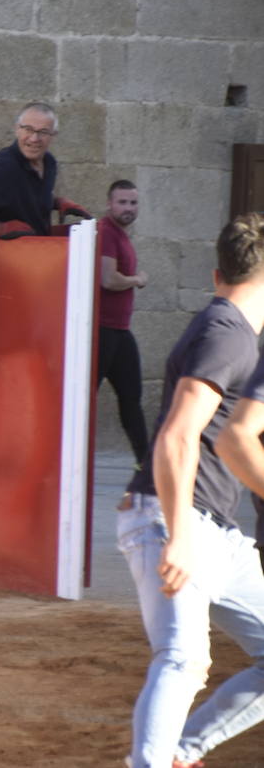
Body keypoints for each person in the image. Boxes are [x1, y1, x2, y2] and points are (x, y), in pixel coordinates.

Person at [118, 215, 264, 768]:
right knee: (182, 656)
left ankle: (179, 753)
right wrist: (177, 535)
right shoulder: (228, 332)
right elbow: (179, 434)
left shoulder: (226, 327)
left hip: (213, 529)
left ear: (216, 272)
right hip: (179, 519)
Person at [0, 103, 90, 237]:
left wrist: (55, 202)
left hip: (40, 249)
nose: (35, 138)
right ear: (17, 129)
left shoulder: (49, 162)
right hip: (13, 256)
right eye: (28, 129)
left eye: (43, 132)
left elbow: (22, 193)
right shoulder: (7, 165)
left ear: (53, 135)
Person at [98, 181, 152, 469]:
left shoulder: (120, 235)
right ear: (109, 204)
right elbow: (108, 279)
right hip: (103, 330)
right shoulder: (107, 232)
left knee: (131, 398)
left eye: (133, 203)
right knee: (86, 397)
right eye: (122, 202)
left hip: (119, 330)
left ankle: (145, 463)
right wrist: (137, 280)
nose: (128, 208)